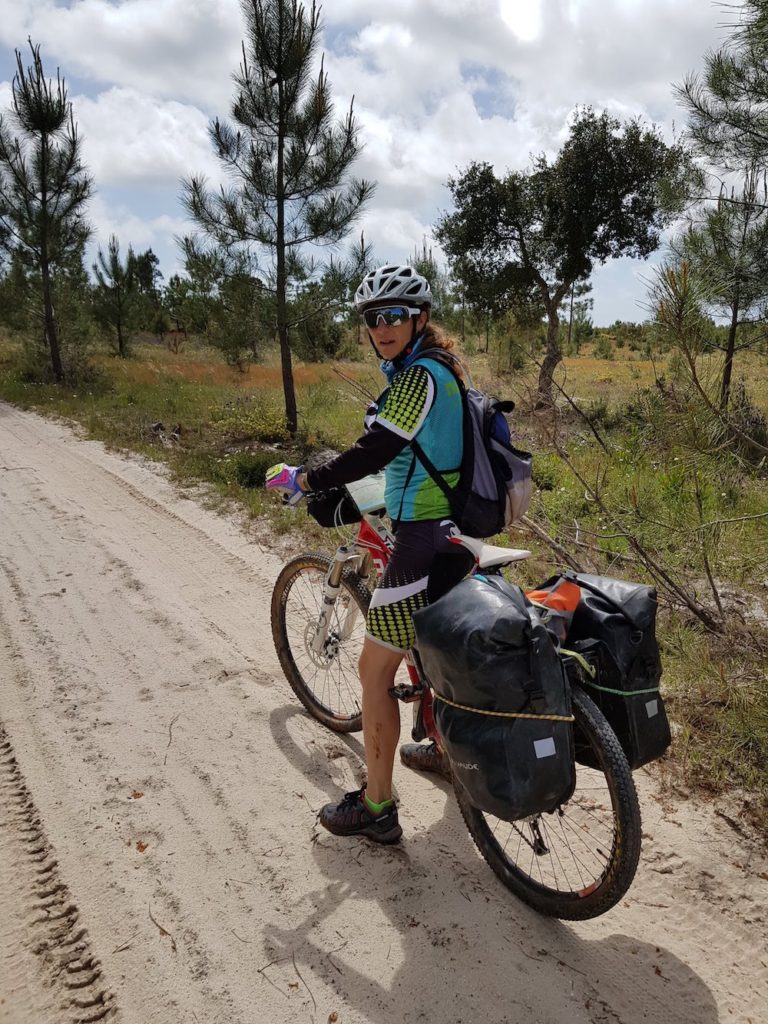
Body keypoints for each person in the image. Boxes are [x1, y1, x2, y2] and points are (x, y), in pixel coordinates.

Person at [266, 264, 473, 844]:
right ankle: (443, 745)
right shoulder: (445, 368)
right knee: (435, 650)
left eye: (394, 316)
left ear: (420, 319)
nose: (382, 327)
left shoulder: (418, 379)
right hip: (452, 529)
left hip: (420, 539)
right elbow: (409, 452)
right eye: (373, 319)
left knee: (373, 670)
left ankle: (377, 807)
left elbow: (377, 447)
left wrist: (305, 480)